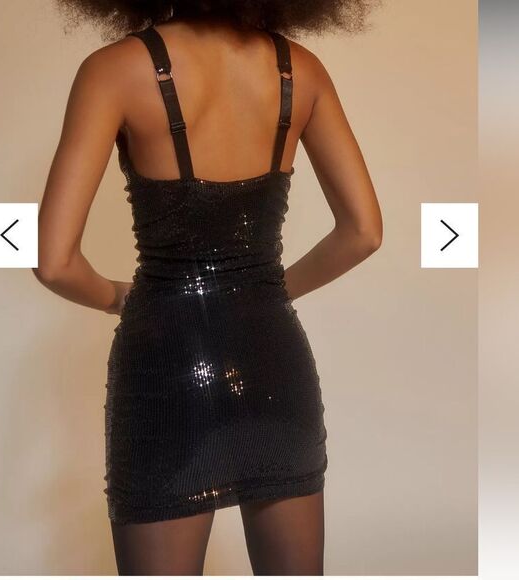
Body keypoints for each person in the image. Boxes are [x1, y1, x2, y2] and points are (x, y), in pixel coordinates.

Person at [34, 0, 382, 575]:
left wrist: (120, 297)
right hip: (275, 361)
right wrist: (264, 291)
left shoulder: (114, 70)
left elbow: (54, 263)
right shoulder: (301, 70)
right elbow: (364, 232)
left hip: (164, 366)